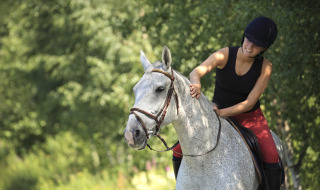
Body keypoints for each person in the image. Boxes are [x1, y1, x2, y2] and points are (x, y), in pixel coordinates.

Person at [172, 16, 282, 189]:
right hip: (216, 114)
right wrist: (197, 83)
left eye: (256, 44)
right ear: (244, 36)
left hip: (250, 117)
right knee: (178, 149)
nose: (249, 46)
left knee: (271, 153)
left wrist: (222, 113)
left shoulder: (265, 67)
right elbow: (196, 72)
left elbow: (249, 102)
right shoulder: (225, 54)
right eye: (248, 39)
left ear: (264, 48)